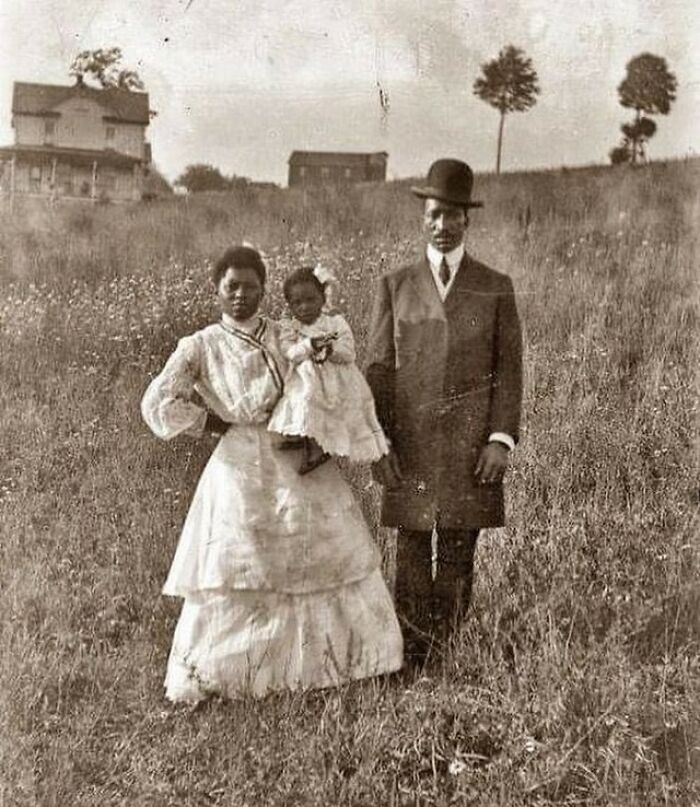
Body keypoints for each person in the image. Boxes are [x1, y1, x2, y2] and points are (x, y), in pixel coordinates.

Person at [141, 245, 402, 702]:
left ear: (265, 289)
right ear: (217, 289)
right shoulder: (200, 345)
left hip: (295, 452)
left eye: (251, 286)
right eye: (232, 286)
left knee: (318, 551)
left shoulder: (286, 334)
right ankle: (236, 675)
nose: (241, 295)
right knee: (245, 559)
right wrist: (210, 422)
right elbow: (158, 403)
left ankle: (334, 666)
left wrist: (320, 429)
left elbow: (323, 380)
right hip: (238, 463)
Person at [365, 159, 523, 665]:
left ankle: (446, 653)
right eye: (434, 214)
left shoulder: (495, 286)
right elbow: (377, 373)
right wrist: (377, 443)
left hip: (470, 447)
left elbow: (509, 370)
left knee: (458, 546)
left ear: (467, 220)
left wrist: (500, 439)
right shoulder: (395, 285)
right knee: (410, 550)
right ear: (422, 217)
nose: (441, 225)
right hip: (407, 445)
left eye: (452, 215)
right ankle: (409, 652)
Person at [267, 264, 389, 474]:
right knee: (304, 399)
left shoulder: (335, 323)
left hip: (337, 380)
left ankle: (319, 449)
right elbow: (291, 354)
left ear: (323, 299)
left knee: (322, 405)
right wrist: (309, 345)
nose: (304, 307)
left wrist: (330, 350)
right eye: (297, 303)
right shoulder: (291, 328)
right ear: (290, 306)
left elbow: (349, 353)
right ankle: (301, 439)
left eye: (310, 300)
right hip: (306, 378)